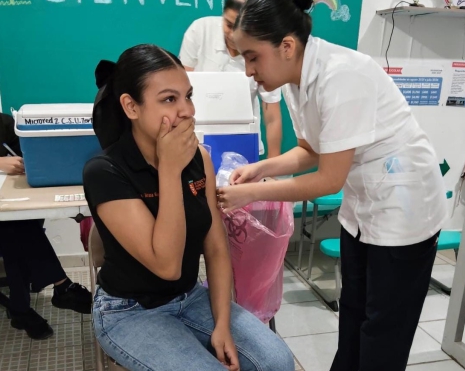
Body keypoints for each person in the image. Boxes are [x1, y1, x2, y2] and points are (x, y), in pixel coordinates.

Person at [216, 0, 448, 371]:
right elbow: (311, 150)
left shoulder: (342, 76)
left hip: (404, 207)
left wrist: (253, 192)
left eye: (253, 57)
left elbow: (328, 180)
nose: (249, 70)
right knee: (354, 313)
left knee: (383, 329)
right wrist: (259, 169)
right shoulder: (295, 79)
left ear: (286, 46)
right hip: (364, 206)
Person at [83, 44, 294, 371]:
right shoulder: (105, 171)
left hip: (191, 297)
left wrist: (222, 324)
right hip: (130, 311)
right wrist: (169, 170)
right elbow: (166, 265)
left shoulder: (199, 158)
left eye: (188, 96)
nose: (187, 111)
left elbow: (217, 248)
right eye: (169, 99)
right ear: (131, 106)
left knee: (277, 361)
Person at [0, 112, 92, 340]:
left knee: (15, 226)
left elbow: (30, 156)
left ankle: (22, 309)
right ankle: (60, 286)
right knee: (13, 229)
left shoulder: (4, 123)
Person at [179, 0, 282, 159]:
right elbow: (181, 91)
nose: (233, 35)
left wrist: (273, 165)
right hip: (196, 138)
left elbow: (271, 114)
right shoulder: (200, 31)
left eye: (240, 28)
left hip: (243, 140)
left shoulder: (266, 50)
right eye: (228, 24)